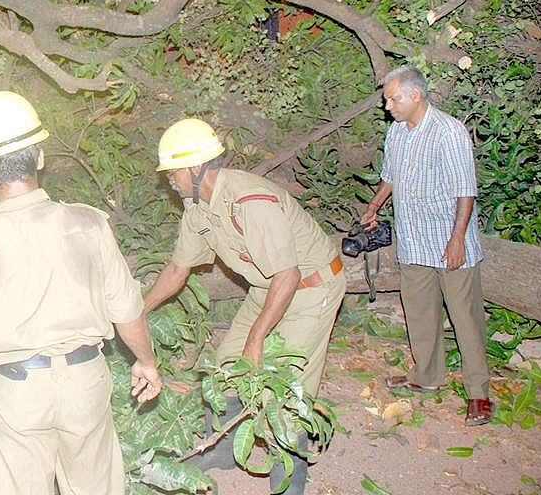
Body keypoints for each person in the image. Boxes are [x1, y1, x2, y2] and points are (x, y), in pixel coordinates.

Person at [0, 91, 162, 495]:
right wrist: (146, 361)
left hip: (15, 394)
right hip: (84, 384)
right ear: (39, 156)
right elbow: (127, 308)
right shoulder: (90, 225)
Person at [143, 118, 346, 494]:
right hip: (266, 288)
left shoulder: (250, 200)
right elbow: (177, 269)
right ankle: (222, 451)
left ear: (193, 167)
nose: (168, 179)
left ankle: (288, 482)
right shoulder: (197, 208)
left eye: (172, 171)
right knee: (225, 369)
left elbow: (287, 275)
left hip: (310, 287)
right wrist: (139, 311)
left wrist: (257, 340)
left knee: (284, 389)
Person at [359, 65, 492, 426]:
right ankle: (427, 376)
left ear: (415, 95)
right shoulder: (397, 133)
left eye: (393, 98)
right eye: (388, 99)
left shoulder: (448, 131)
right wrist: (374, 205)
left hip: (449, 240)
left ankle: (479, 392)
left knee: (465, 318)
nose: (388, 106)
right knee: (420, 313)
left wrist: (458, 238)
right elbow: (391, 176)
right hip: (413, 239)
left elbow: (466, 190)